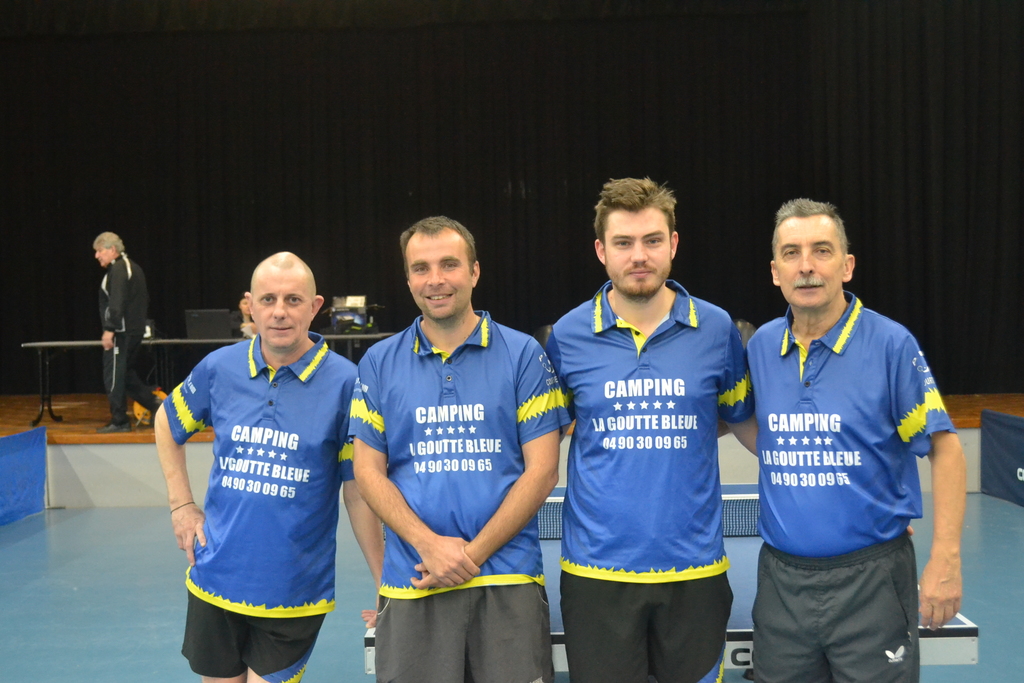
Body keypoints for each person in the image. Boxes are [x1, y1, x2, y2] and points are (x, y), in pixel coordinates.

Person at [733, 199, 966, 682]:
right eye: (792, 253)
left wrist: (946, 558)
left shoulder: (891, 344)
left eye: (822, 250)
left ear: (847, 265)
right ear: (775, 272)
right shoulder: (762, 348)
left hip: (872, 581)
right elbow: (757, 427)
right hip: (781, 584)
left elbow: (945, 450)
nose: (807, 266)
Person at [545, 178, 755, 683]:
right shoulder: (566, 336)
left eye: (652, 240)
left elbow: (743, 423)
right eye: (623, 242)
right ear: (601, 251)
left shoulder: (717, 329)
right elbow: (544, 441)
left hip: (696, 571)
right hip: (595, 574)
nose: (639, 255)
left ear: (673, 244)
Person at [351, 216, 570, 683]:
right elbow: (367, 472)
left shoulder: (524, 354)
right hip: (415, 579)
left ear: (474, 271)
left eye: (449, 264)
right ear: (408, 279)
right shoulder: (378, 362)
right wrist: (429, 546)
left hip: (508, 579)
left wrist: (467, 556)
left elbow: (543, 471)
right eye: (421, 268)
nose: (436, 279)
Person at [154, 252, 384, 683]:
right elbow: (166, 422)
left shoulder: (347, 384)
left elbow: (358, 492)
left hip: (294, 589)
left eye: (293, 300)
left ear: (315, 307)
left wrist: (383, 583)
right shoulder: (219, 368)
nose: (280, 312)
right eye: (268, 299)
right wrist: (181, 505)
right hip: (214, 578)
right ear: (250, 305)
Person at [93, 232, 162, 433]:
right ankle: (157, 406)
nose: (97, 256)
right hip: (133, 330)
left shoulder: (119, 269)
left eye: (100, 251)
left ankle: (120, 420)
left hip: (121, 333)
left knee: (113, 376)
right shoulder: (132, 267)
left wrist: (109, 329)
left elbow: (117, 301)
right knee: (125, 376)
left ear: (112, 249)